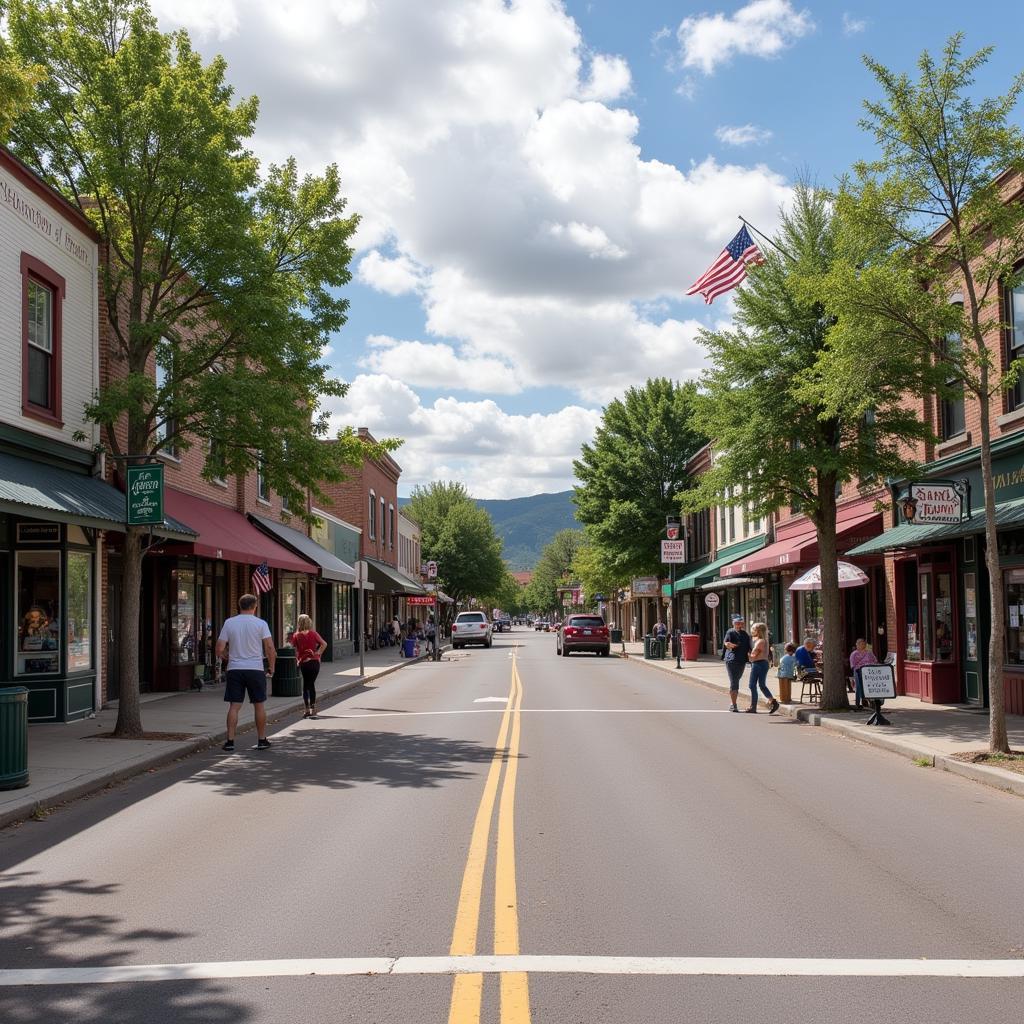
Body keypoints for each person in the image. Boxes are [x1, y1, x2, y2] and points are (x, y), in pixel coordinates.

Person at [216, 594, 276, 752]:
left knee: (234, 706)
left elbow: (219, 648)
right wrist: (272, 667)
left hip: (235, 668)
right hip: (255, 668)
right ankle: (262, 740)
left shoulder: (229, 623)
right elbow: (270, 648)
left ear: (239, 605)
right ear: (254, 606)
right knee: (259, 705)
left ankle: (230, 741)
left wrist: (226, 657)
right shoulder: (261, 624)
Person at [291, 613, 327, 719]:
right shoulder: (314, 634)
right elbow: (324, 644)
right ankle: (313, 708)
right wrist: (317, 653)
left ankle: (307, 709)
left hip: (304, 663)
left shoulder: (296, 635)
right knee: (311, 684)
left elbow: (294, 649)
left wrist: (298, 660)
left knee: (306, 686)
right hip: (314, 662)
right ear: (309, 622)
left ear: (299, 623)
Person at [746, 622, 779, 714]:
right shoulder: (764, 640)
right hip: (762, 663)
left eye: (753, 629)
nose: (751, 631)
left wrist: (745, 652)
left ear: (758, 631)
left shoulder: (760, 642)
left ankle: (753, 707)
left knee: (752, 685)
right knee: (762, 685)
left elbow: (752, 656)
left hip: (758, 664)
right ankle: (773, 701)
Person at [723, 614, 752, 713]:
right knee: (734, 682)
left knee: (737, 679)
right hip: (731, 660)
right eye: (737, 623)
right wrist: (730, 645)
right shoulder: (730, 632)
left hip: (742, 660)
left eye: (740, 623)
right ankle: (733, 704)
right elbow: (726, 643)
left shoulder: (745, 634)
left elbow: (749, 648)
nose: (739, 625)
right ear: (733, 623)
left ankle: (732, 702)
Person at [850, 638, 878, 710]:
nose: (863, 645)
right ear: (857, 645)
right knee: (859, 687)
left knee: (869, 686)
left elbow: (875, 661)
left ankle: (869, 701)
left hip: (869, 672)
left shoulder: (869, 653)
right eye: (860, 644)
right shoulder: (854, 654)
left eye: (864, 644)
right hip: (859, 671)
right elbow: (853, 665)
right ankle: (858, 703)